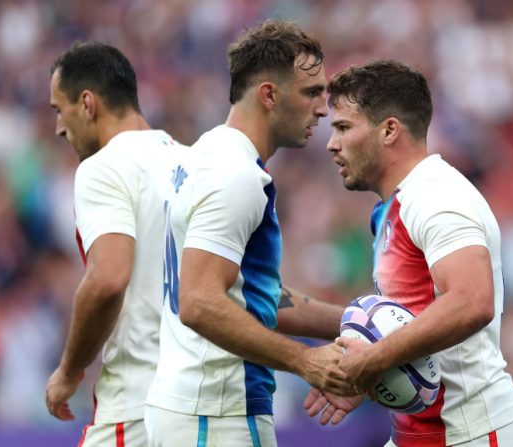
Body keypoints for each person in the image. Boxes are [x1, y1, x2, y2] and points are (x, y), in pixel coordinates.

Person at [144, 20, 354, 447]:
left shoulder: (203, 157)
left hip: (191, 408)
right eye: (312, 92)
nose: (322, 110)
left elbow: (249, 296)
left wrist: (358, 323)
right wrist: (304, 361)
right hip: (215, 413)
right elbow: (200, 303)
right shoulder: (235, 178)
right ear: (269, 95)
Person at [305, 60, 513, 446]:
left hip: (469, 431)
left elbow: (473, 302)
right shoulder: (395, 207)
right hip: (418, 433)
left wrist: (372, 360)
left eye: (343, 127)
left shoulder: (437, 197)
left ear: (389, 129)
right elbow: (412, 319)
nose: (331, 143)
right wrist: (373, 371)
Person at [44, 41, 186, 446]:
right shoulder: (191, 163)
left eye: (59, 109)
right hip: (199, 404)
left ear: (87, 103)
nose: (58, 127)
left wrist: (70, 369)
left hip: (138, 404)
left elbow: (108, 279)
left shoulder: (103, 168)